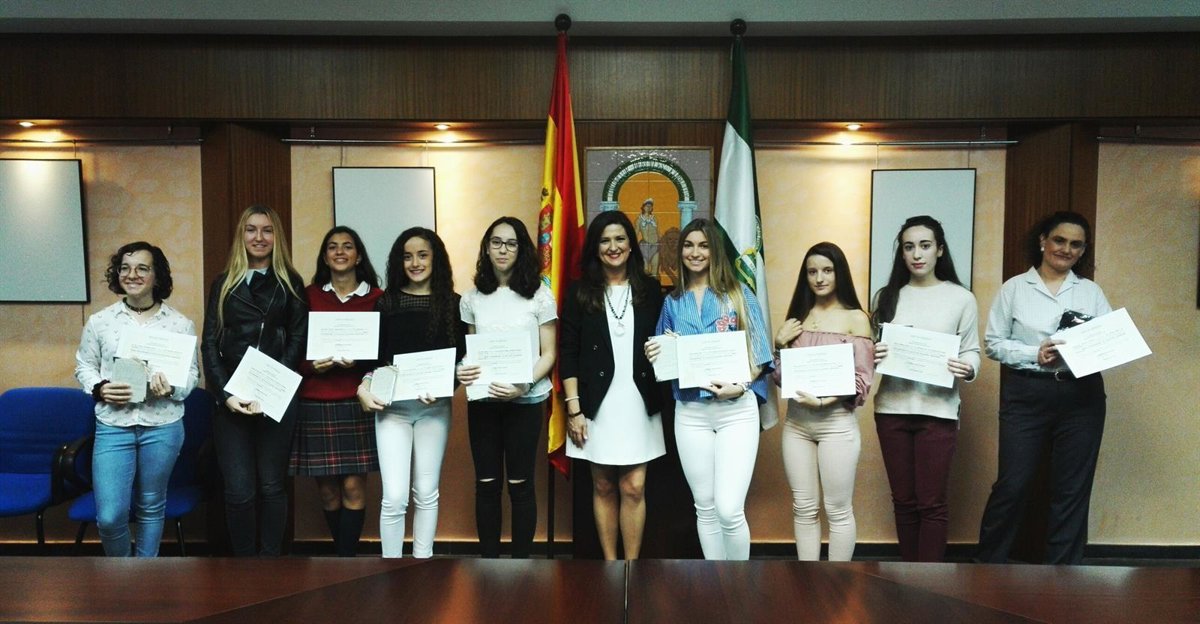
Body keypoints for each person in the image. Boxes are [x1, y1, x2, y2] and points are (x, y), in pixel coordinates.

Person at [977, 211, 1111, 565]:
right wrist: (1033, 353)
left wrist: (1094, 349)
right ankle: (987, 568)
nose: (1066, 249)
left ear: (1083, 250)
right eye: (1059, 240)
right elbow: (993, 344)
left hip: (1082, 396)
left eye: (1076, 244)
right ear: (1042, 241)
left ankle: (1063, 574)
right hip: (1027, 394)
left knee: (1071, 489)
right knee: (1013, 484)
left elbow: (1109, 342)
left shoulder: (1091, 293)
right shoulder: (1014, 288)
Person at [646, 218, 772, 561]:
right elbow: (664, 361)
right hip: (691, 414)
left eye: (703, 245)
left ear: (715, 251)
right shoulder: (672, 302)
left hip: (736, 410)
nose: (695, 252)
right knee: (705, 507)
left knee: (729, 509)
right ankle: (715, 583)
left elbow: (760, 353)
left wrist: (740, 386)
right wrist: (656, 352)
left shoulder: (739, 294)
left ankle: (739, 583)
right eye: (688, 245)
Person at [74, 241, 199, 557]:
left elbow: (191, 375)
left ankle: (145, 575)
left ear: (157, 276)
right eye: (125, 268)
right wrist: (99, 388)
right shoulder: (100, 321)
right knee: (110, 516)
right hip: (114, 425)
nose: (132, 275)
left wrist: (172, 388)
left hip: (163, 424)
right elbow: (84, 365)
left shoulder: (179, 324)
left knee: (151, 505)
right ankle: (122, 575)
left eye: (142, 268)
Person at [871, 216, 979, 562]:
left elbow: (972, 350)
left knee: (932, 503)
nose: (917, 254)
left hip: (939, 411)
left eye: (925, 245)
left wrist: (969, 367)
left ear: (940, 250)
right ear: (901, 253)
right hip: (892, 410)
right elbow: (869, 351)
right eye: (909, 247)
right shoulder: (887, 296)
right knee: (903, 501)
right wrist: (874, 353)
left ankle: (931, 581)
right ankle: (908, 576)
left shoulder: (961, 298)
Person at [201, 204, 307, 557]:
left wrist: (273, 386)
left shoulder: (291, 282)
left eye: (267, 230)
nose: (258, 237)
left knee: (272, 486)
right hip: (232, 399)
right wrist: (226, 394)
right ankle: (245, 565)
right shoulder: (223, 283)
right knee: (238, 491)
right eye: (251, 229)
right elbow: (210, 343)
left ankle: (270, 562)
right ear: (241, 236)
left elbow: (298, 339)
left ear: (277, 237)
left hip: (277, 396)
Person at [561, 211, 665, 560]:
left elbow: (667, 339)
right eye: (605, 240)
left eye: (620, 239)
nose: (613, 247)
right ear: (595, 248)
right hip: (595, 403)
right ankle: (610, 565)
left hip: (639, 399)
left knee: (634, 486)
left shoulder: (650, 289)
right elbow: (568, 352)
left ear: (632, 245)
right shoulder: (579, 292)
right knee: (603, 484)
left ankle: (630, 568)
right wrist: (574, 410)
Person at [357, 227, 465, 558]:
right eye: (407, 256)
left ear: (436, 259)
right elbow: (374, 359)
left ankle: (423, 564)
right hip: (392, 411)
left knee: (427, 492)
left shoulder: (454, 304)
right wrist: (364, 387)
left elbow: (461, 360)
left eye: (422, 255)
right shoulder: (386, 303)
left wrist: (447, 385)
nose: (415, 263)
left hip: (434, 409)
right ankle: (389, 569)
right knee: (394, 497)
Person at [456, 216, 557, 558]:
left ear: (521, 249)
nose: (503, 249)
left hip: (525, 402)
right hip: (483, 403)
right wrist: (463, 371)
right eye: (496, 242)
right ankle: (489, 564)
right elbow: (471, 351)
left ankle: (521, 567)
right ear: (486, 248)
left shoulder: (540, 295)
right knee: (486, 485)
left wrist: (523, 384)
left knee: (521, 484)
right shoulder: (471, 298)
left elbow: (549, 353)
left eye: (511, 243)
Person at [772, 242, 874, 561]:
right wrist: (779, 344)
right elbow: (781, 376)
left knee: (837, 509)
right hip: (797, 425)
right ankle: (809, 580)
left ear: (839, 273)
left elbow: (862, 379)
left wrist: (823, 401)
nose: (819, 278)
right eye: (812, 271)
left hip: (836, 425)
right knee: (803, 507)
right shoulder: (797, 319)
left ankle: (838, 582)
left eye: (827, 270)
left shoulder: (856, 319)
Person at [291, 226, 383, 557]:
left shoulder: (377, 298)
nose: (340, 252)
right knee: (328, 492)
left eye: (347, 246)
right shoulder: (307, 296)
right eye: (332, 247)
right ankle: (343, 559)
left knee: (354, 487)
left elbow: (385, 352)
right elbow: (292, 348)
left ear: (358, 256)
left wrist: (362, 363)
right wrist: (311, 366)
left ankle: (346, 562)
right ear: (325, 256)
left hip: (357, 401)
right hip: (315, 402)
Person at [636, 198, 660, 277]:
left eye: (650, 206)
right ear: (643, 207)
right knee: (645, 270)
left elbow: (657, 231)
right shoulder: (639, 220)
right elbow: (636, 233)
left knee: (655, 271)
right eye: (647, 206)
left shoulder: (654, 218)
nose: (648, 208)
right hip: (644, 247)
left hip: (655, 246)